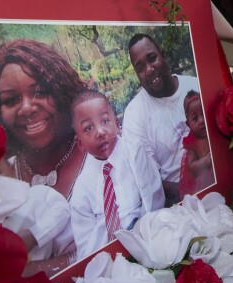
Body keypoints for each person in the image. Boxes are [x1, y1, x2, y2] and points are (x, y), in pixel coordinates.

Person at [0, 39, 87, 273]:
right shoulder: (3, 174)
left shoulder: (99, 158)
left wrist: (32, 269)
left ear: (61, 90)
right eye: (11, 100)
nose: (27, 108)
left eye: (40, 91)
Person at [69, 90, 164, 258]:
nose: (99, 131)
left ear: (117, 123)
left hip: (150, 239)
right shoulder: (82, 189)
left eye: (105, 121)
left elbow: (154, 202)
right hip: (109, 258)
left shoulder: (134, 154)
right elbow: (86, 250)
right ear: (80, 143)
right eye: (88, 128)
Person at [123, 33, 200, 206]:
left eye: (152, 58)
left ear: (163, 55)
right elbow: (150, 183)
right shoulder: (135, 114)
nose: (149, 69)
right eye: (140, 67)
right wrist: (190, 190)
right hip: (176, 205)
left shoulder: (196, 86)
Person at [181, 90, 216, 194]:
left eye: (203, 114)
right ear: (188, 124)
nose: (201, 120)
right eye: (195, 118)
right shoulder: (191, 142)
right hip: (203, 181)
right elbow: (192, 166)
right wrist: (205, 161)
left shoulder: (214, 128)